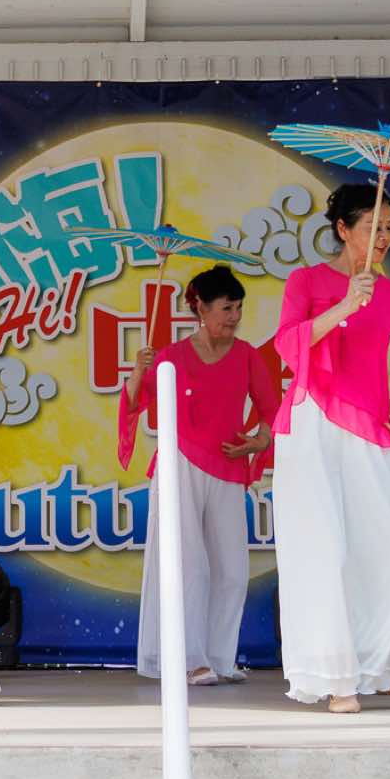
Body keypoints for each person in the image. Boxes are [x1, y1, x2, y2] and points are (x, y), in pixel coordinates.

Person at [272, 185, 390, 713]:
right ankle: (339, 680)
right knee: (324, 555)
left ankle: (378, 666)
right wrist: (343, 306)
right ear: (342, 228)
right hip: (311, 427)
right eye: (374, 227)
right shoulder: (307, 281)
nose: (384, 237)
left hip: (369, 431)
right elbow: (286, 346)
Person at [119, 265, 280, 686]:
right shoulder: (170, 357)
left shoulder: (246, 355)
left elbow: (271, 409)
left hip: (228, 464)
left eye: (238, 308)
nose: (234, 316)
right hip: (181, 465)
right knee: (189, 565)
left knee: (232, 570)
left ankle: (220, 657)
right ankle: (189, 659)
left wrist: (259, 441)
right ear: (201, 309)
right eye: (226, 308)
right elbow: (134, 404)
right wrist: (137, 372)